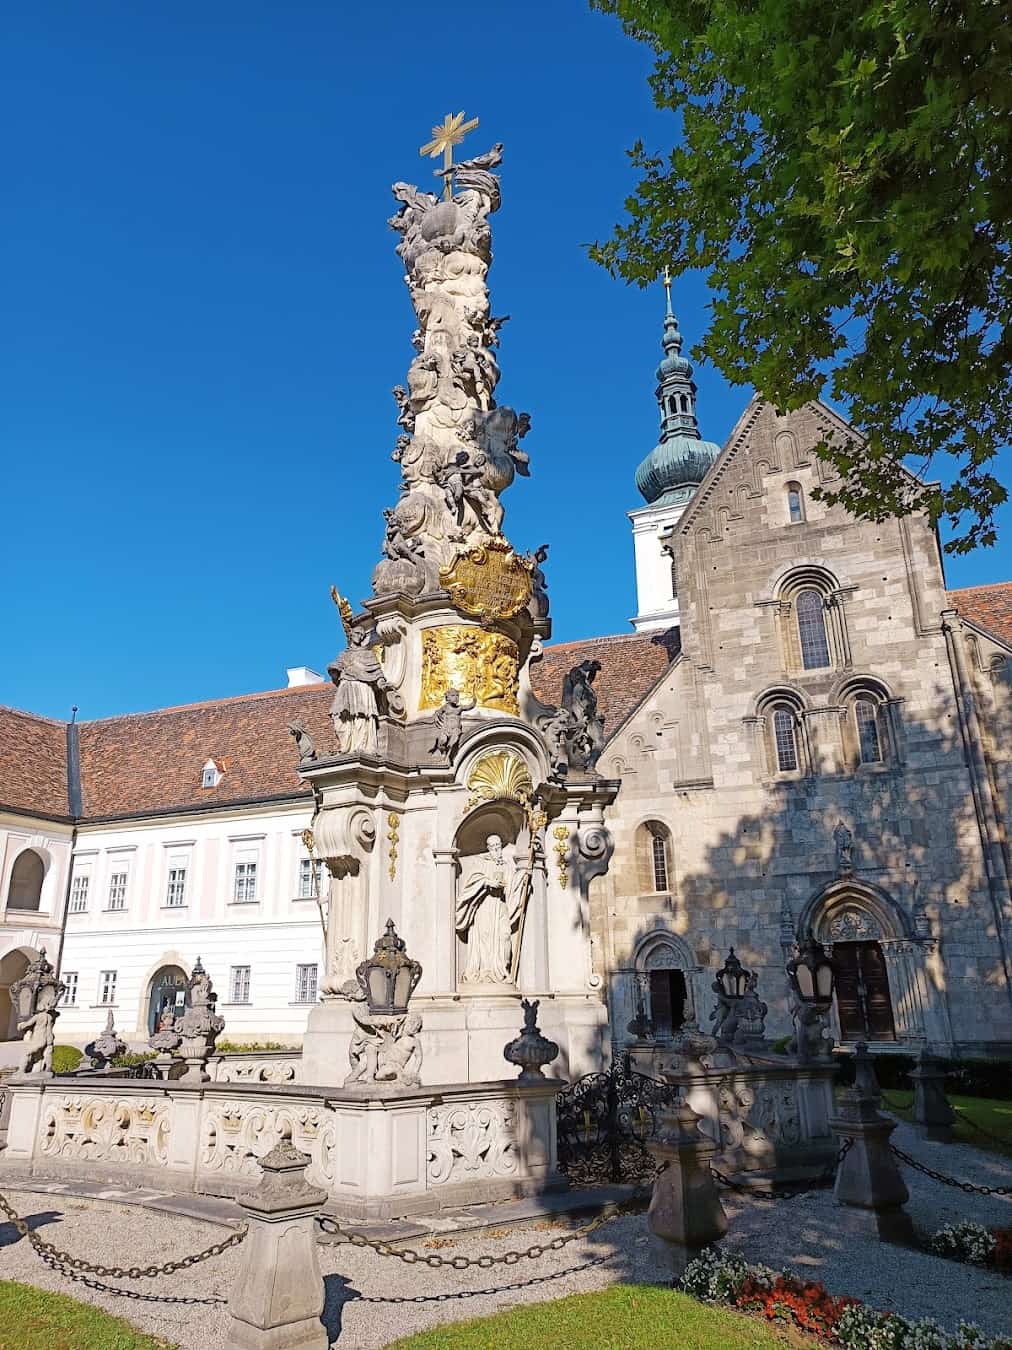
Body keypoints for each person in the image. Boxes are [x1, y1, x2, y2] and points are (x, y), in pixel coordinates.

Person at [455, 834, 529, 984]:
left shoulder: (506, 865)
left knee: (505, 934)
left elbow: (512, 887)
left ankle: (501, 971)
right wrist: (487, 882)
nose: (497, 850)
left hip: (500, 905)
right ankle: (485, 972)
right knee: (485, 938)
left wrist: (522, 876)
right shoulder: (481, 863)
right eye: (493, 847)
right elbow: (470, 883)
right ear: (488, 848)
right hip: (484, 906)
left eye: (499, 847)